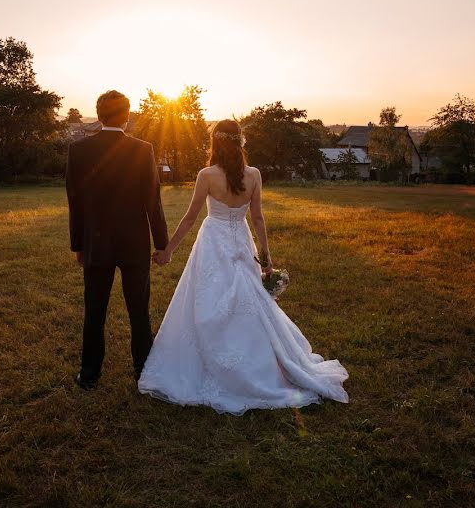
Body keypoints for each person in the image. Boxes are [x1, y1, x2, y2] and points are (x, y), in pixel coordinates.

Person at [138, 119, 349, 414]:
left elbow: (189, 218)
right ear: (240, 143)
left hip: (213, 241)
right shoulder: (253, 175)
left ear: (216, 143)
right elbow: (258, 218)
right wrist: (265, 257)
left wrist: (168, 251)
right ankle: (259, 361)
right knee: (249, 302)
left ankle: (211, 361)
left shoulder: (206, 174)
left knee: (208, 300)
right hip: (240, 240)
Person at [65, 90, 168, 390]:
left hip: (96, 243)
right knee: (139, 310)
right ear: (126, 116)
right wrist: (161, 243)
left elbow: (76, 201)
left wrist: (78, 246)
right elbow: (153, 201)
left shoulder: (79, 150)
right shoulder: (143, 149)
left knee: (94, 310)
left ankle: (89, 374)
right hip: (134, 243)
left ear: (98, 115)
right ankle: (144, 371)